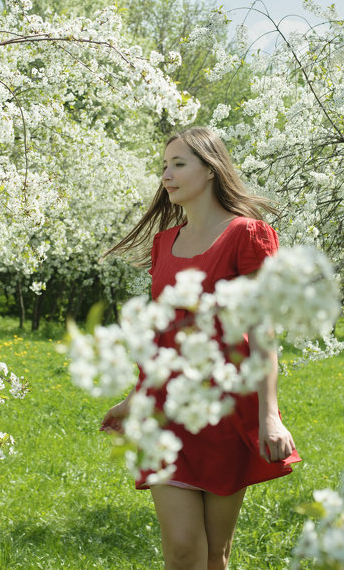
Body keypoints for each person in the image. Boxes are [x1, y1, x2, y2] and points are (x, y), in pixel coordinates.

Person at [100, 127, 300, 570]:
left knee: (214, 554)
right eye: (164, 166)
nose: (166, 175)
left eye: (178, 164)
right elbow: (162, 334)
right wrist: (137, 397)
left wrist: (270, 416)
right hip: (166, 411)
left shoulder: (248, 235)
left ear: (210, 169)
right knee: (183, 549)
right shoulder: (163, 244)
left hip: (226, 409)